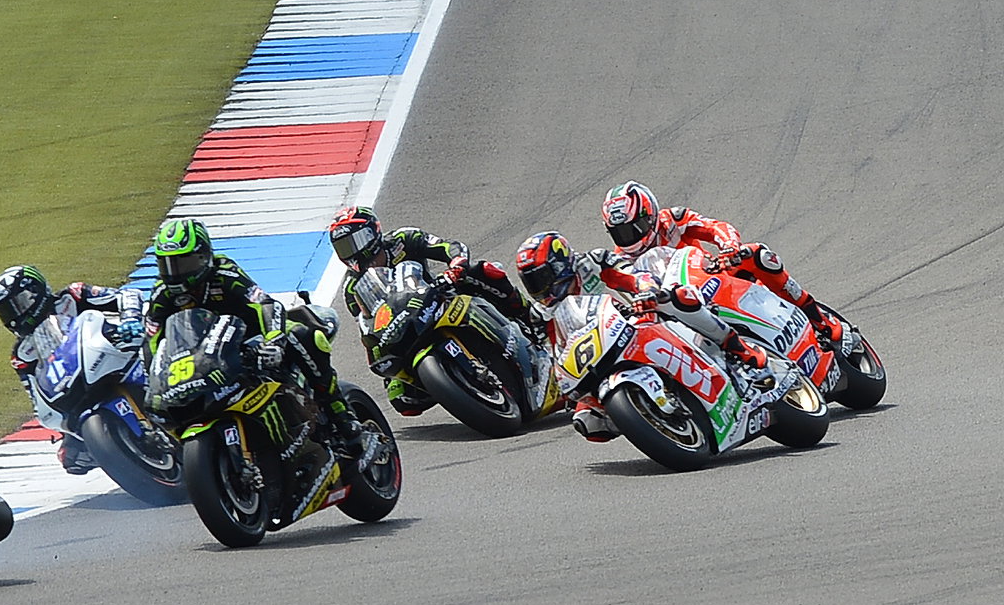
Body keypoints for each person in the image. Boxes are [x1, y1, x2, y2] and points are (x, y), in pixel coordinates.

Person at [514, 230, 773, 442]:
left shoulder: (591, 263)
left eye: (543, 277)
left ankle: (738, 348)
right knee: (588, 423)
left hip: (639, 316)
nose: (541, 288)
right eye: (532, 282)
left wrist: (645, 290)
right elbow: (554, 350)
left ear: (561, 264)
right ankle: (650, 415)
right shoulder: (541, 313)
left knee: (679, 298)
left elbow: (630, 274)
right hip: (597, 351)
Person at [144, 217, 371, 456]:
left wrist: (274, 340)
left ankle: (340, 412)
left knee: (302, 335)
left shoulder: (224, 273)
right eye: (166, 265)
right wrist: (154, 377)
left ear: (204, 256)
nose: (175, 273)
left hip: (250, 340)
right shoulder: (162, 293)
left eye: (183, 263)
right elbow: (152, 341)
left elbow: (265, 304)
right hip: (203, 360)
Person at [328, 205, 546, 415]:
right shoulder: (352, 288)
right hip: (404, 327)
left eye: (357, 240)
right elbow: (368, 322)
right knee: (402, 399)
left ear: (374, 232)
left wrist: (456, 264)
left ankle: (530, 318)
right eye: (344, 247)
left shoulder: (402, 240)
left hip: (438, 295)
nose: (354, 250)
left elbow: (448, 247)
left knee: (482, 271)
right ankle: (456, 384)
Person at [599, 180, 844, 345]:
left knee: (758, 254)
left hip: (712, 275)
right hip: (680, 307)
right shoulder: (620, 260)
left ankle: (817, 317)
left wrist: (729, 247)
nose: (631, 237)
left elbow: (715, 227)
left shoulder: (672, 220)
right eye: (621, 232)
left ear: (650, 214)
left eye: (635, 228)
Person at [0, 264, 147, 475]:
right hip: (78, 383)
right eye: (8, 311)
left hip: (122, 350)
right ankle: (126, 457)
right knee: (72, 457)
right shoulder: (23, 354)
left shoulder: (74, 295)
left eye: (19, 304)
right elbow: (36, 396)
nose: (15, 315)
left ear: (36, 292)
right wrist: (62, 427)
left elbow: (127, 295)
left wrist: (130, 319)